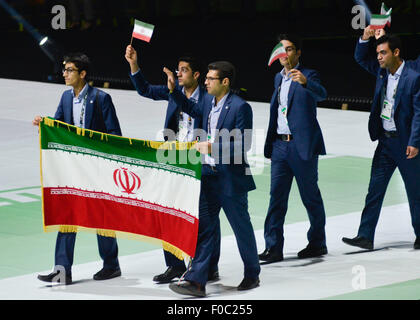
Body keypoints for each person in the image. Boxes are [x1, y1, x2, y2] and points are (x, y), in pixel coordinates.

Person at [124, 45, 221, 284]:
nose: (179, 74)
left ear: (197, 75)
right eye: (178, 70)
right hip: (175, 161)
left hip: (200, 163)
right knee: (169, 213)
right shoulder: (173, 90)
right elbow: (144, 89)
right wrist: (134, 64)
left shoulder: (209, 99)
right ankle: (175, 265)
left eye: (184, 70)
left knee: (206, 220)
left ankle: (209, 268)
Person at [164, 61, 261, 297]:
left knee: (241, 227)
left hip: (230, 178)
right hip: (207, 176)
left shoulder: (240, 107)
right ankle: (197, 279)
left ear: (225, 82)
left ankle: (252, 273)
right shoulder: (207, 101)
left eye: (210, 79)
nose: (205, 82)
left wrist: (213, 147)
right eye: (205, 78)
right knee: (204, 228)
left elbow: (243, 144)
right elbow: (191, 108)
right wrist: (174, 90)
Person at [33, 53, 122, 284]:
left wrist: (93, 148)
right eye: (64, 70)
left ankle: (111, 265)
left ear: (82, 74)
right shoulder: (65, 97)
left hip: (97, 167)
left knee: (101, 217)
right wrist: (45, 123)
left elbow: (115, 135)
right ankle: (62, 270)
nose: (64, 74)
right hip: (74, 168)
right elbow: (59, 125)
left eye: (69, 70)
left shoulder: (101, 98)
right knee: (67, 215)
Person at [342, 32, 420, 250]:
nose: (378, 57)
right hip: (385, 143)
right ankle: (365, 236)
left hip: (406, 144)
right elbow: (359, 58)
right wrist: (365, 39)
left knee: (415, 192)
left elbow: (418, 113)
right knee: (374, 190)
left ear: (396, 53)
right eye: (377, 53)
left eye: (383, 53)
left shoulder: (413, 77)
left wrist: (414, 142)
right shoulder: (381, 74)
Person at [259, 34, 328, 264]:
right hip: (280, 145)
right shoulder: (278, 79)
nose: (284, 53)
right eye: (281, 49)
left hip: (302, 147)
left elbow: (322, 94)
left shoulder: (308, 75)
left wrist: (306, 82)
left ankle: (317, 243)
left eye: (289, 49)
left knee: (310, 197)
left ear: (298, 53)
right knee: (276, 198)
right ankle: (273, 248)